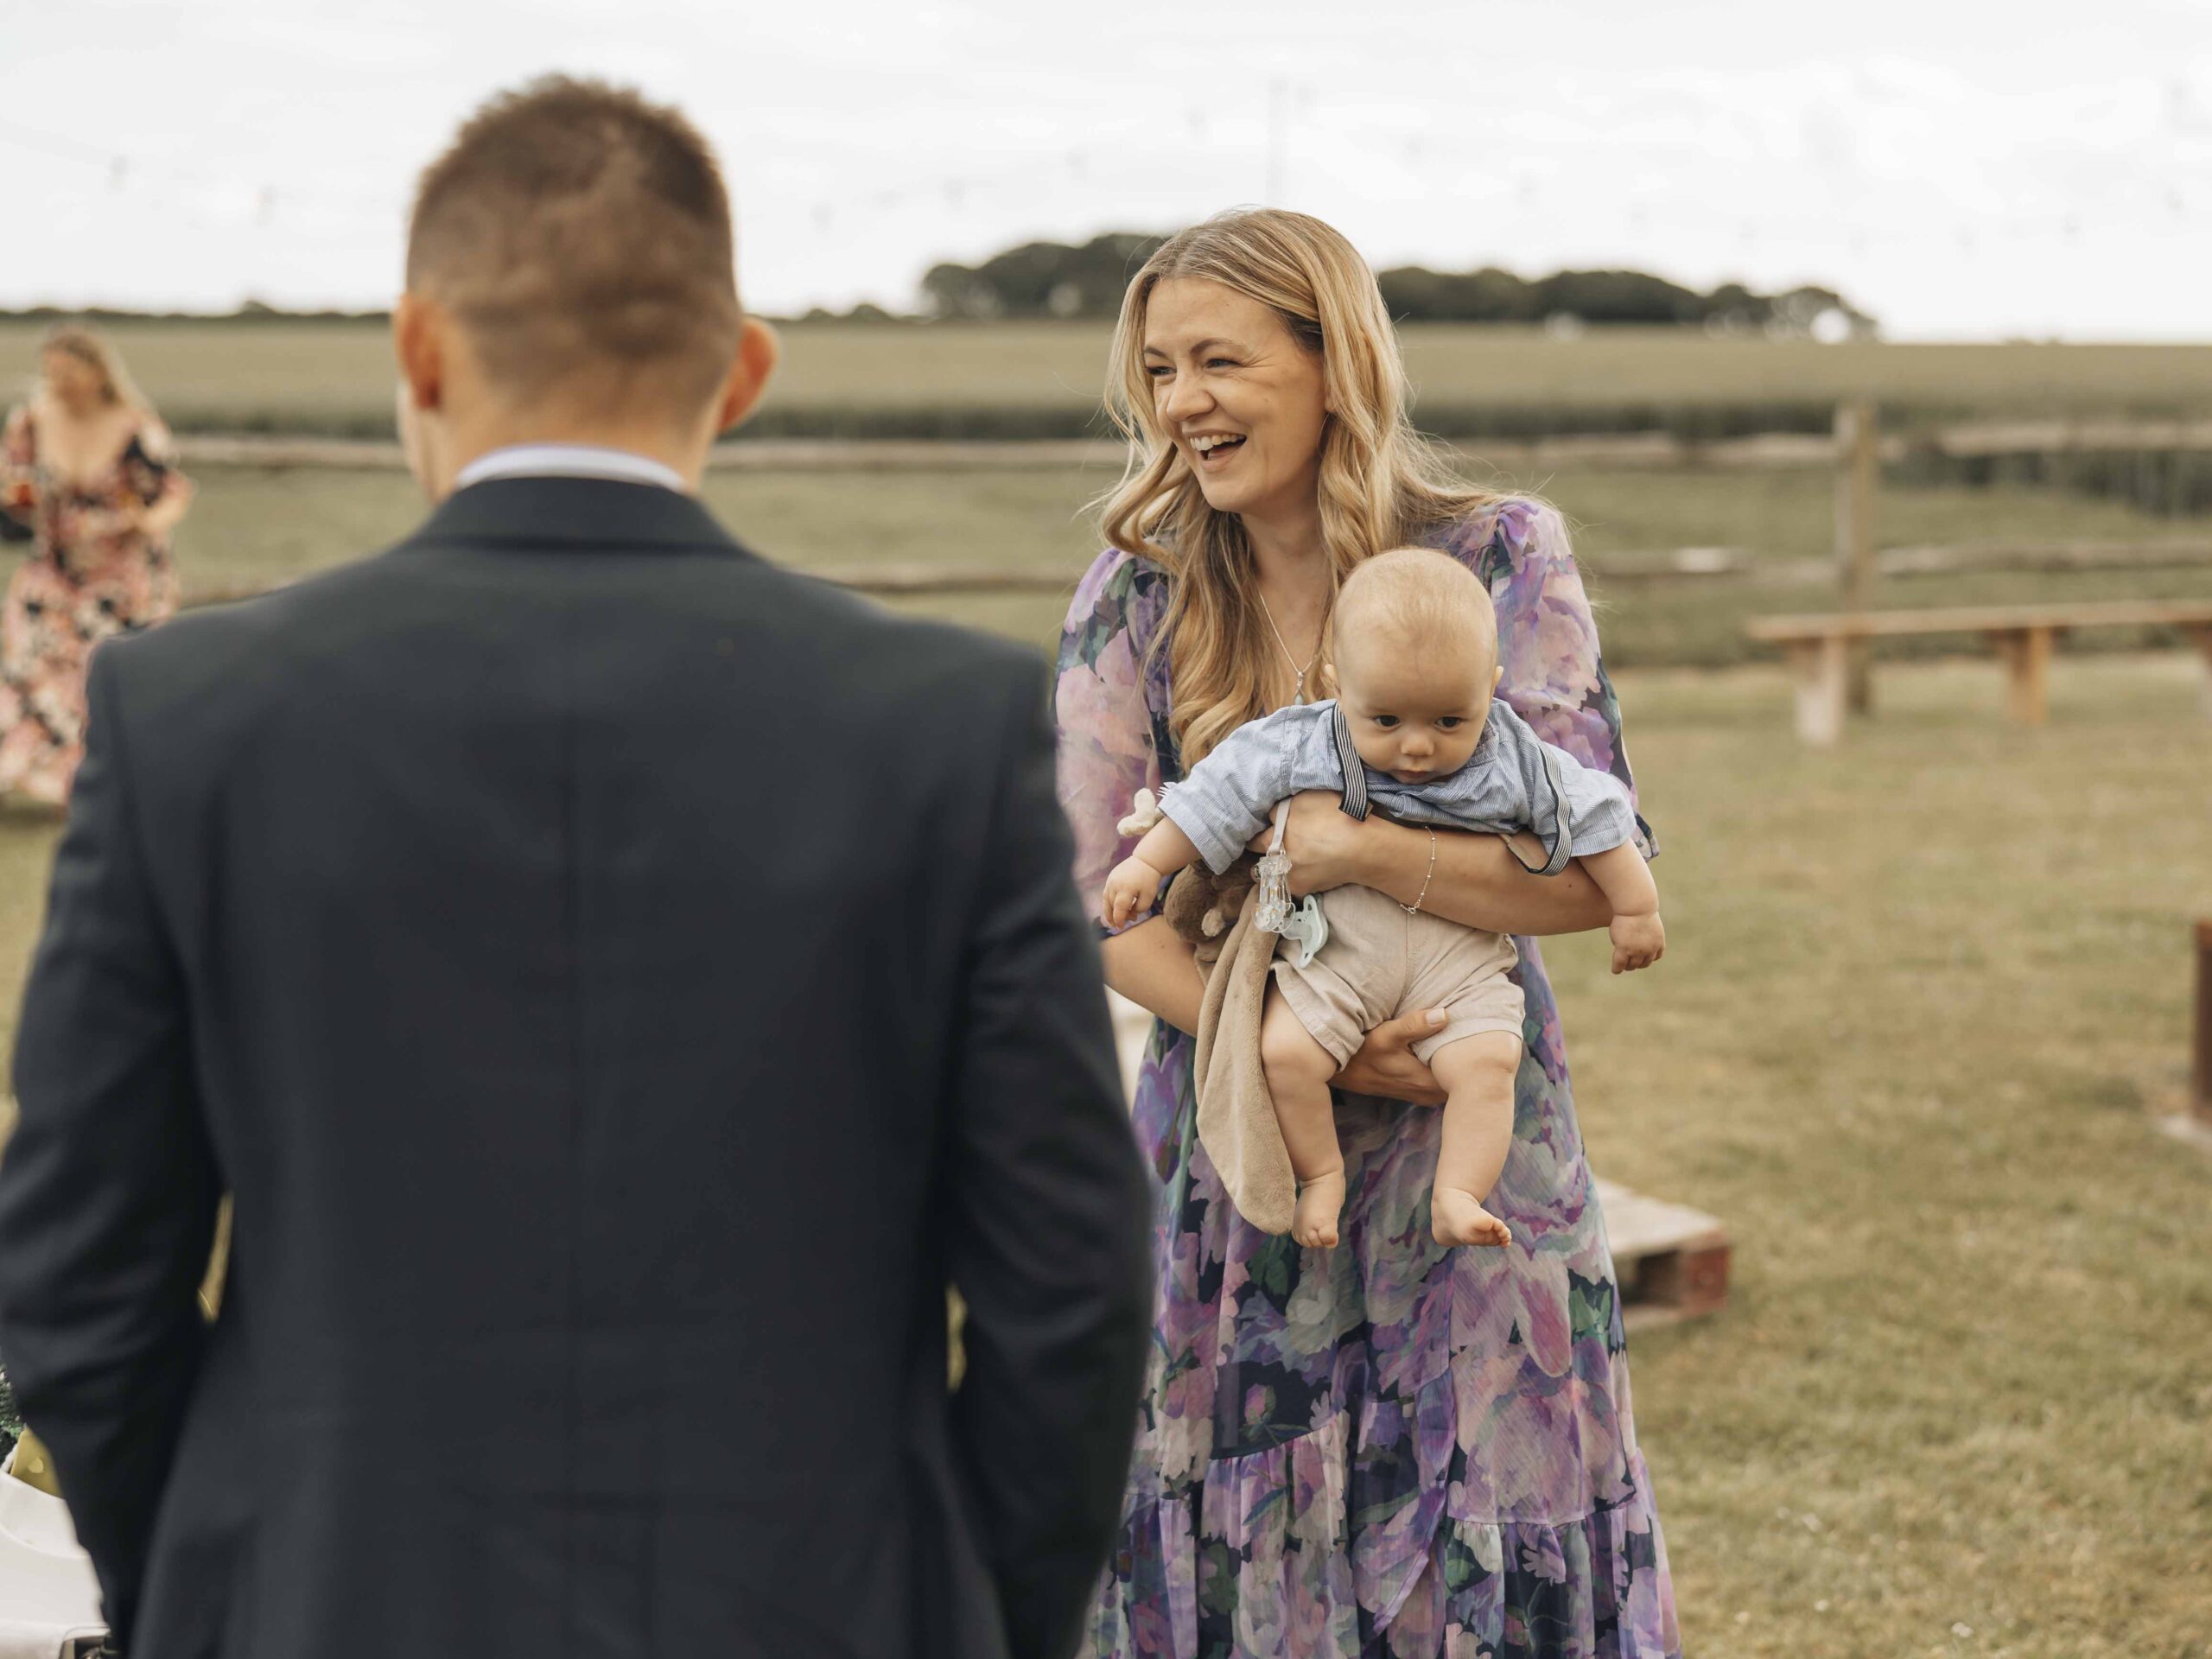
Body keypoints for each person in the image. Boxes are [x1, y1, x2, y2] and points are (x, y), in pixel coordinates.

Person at [0, 77, 1151, 1659]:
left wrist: (224, 1589)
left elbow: (76, 1278)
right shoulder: (941, 730)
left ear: (417, 346)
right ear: (741, 372)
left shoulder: (194, 718)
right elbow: (1072, 1294)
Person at [1054, 210, 1681, 1656]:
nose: (1181, 403)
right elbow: (1084, 892)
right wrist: (1284, 1041)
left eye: (1219, 360)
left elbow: (1593, 867)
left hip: (1475, 1153)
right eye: (1158, 370)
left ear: (1332, 361)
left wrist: (1361, 852)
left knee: (1487, 1527)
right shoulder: (1137, 597)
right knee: (1245, 1518)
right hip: (1238, 1153)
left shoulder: (1503, 558)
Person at [1102, 548, 1663, 1251]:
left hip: (1459, 955)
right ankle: (1323, 1173)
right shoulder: (1301, 742)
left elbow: (1597, 817)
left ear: (1490, 689)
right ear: (1338, 687)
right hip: (1339, 948)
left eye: (1450, 722)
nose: (1418, 747)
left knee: (1488, 1061)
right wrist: (1148, 864)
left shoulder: (1515, 755)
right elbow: (1219, 793)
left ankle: (1458, 1193)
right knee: (1284, 1053)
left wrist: (1636, 908)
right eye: (1388, 720)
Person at [0, 328, 191, 804]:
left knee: (109, 680)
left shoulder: (134, 427)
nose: (58, 382)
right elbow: (14, 493)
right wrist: (18, 500)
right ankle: (51, 779)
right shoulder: (30, 423)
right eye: (51, 372)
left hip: (123, 578)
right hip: (54, 572)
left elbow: (171, 492)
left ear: (97, 373)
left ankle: (106, 783)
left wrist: (144, 522)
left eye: (68, 372)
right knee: (31, 669)